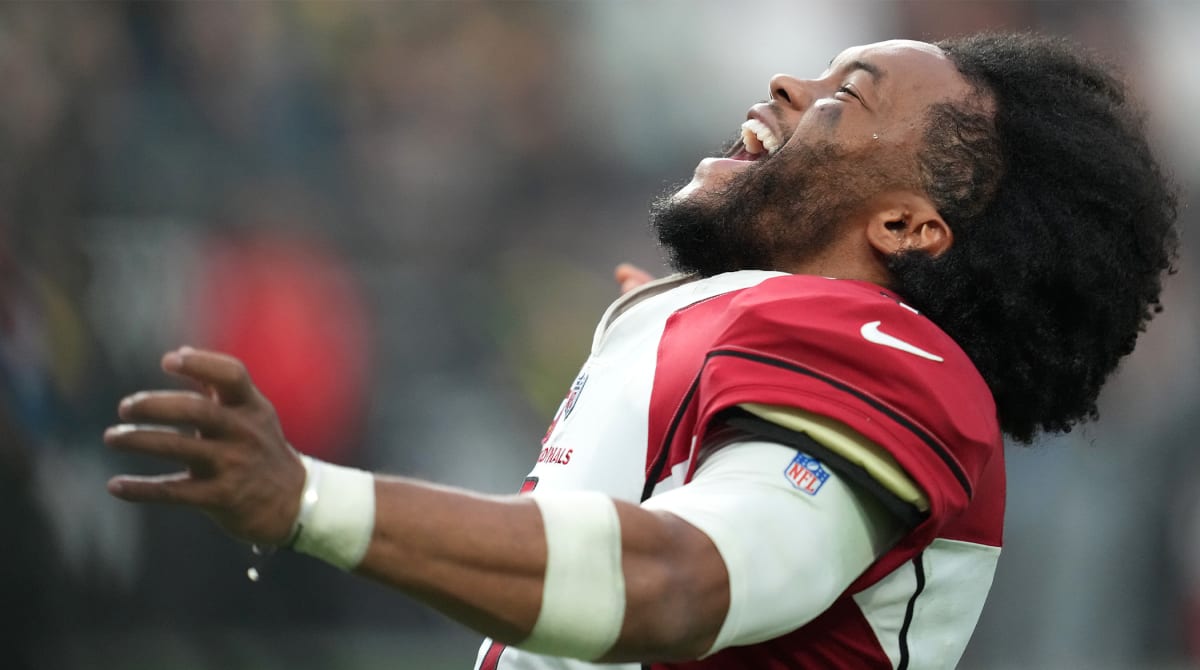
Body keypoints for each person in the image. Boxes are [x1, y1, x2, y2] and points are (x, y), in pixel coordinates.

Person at [105, 33, 1178, 669]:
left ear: (906, 225)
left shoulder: (881, 360)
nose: (789, 89)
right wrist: (662, 349)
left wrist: (306, 499)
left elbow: (676, 580)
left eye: (845, 96)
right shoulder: (748, 328)